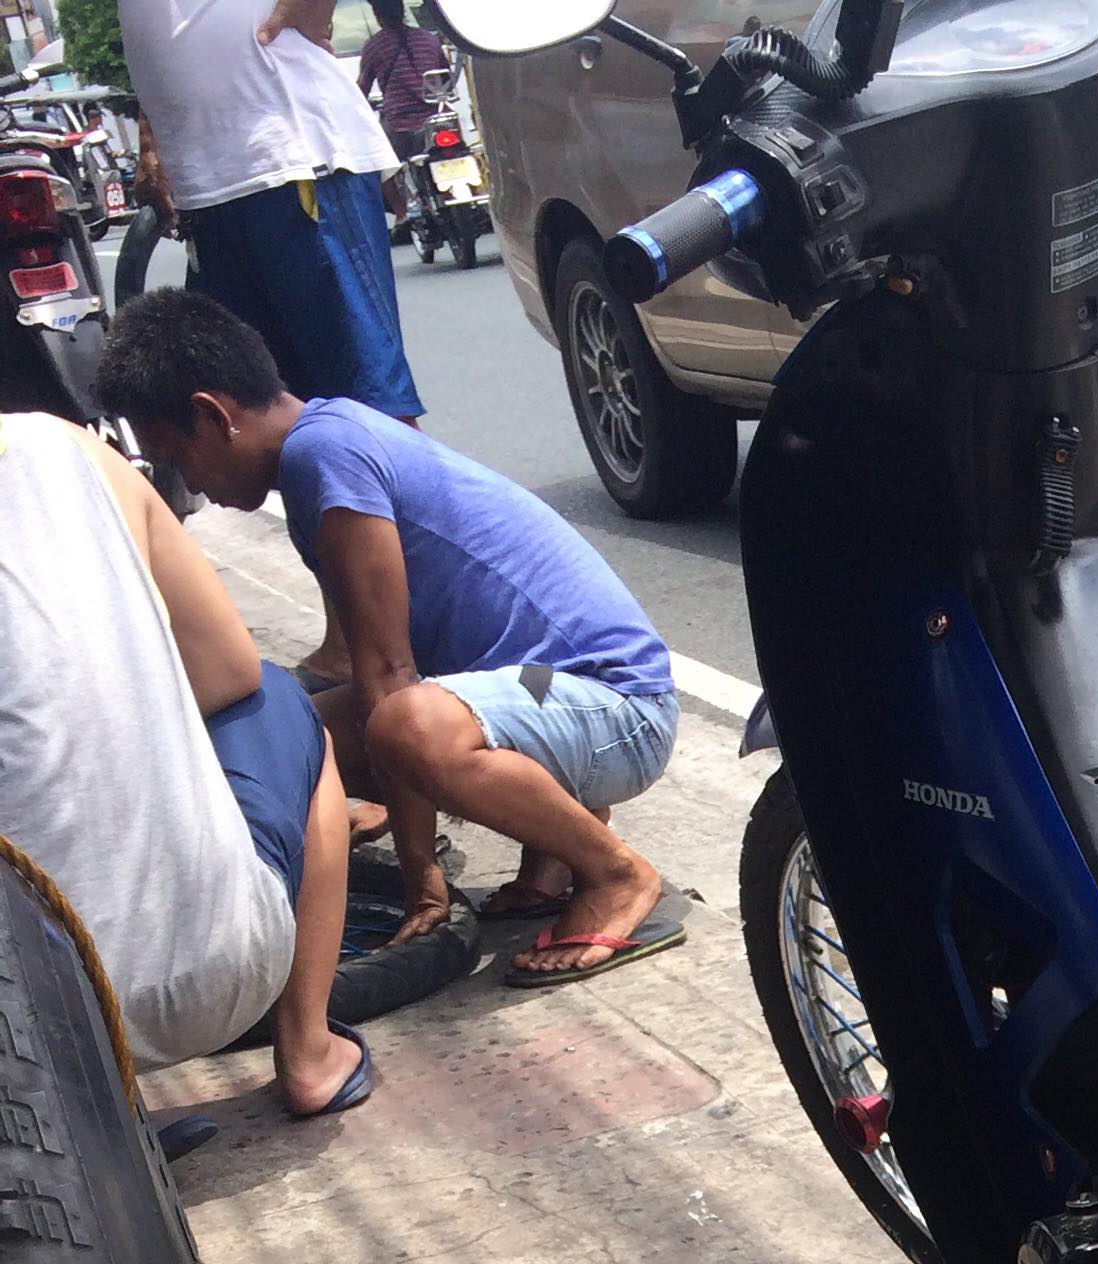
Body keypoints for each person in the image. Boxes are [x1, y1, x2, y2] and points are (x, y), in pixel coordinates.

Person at [100, 290, 686, 987]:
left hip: (617, 705)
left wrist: (422, 879)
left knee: (406, 725)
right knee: (286, 735)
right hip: (543, 691)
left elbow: (388, 680)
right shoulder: (325, 441)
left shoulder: (325, 456)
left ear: (212, 415)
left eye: (177, 459)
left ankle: (616, 873)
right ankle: (554, 850)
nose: (188, 486)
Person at [0, 410, 367, 1121]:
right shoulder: (65, 447)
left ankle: (98, 1120)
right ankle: (311, 1052)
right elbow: (229, 671)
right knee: (280, 700)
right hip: (212, 974)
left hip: (21, 1038)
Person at [120, 0, 420, 427]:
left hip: (293, 163)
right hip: (209, 192)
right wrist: (151, 137)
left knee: (366, 416)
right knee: (255, 424)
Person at [357, 0, 450, 221]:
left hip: (400, 124)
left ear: (378, 15)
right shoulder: (429, 40)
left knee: (380, 162)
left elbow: (362, 89)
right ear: (403, 11)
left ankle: (401, 213)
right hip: (437, 119)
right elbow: (446, 78)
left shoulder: (374, 46)